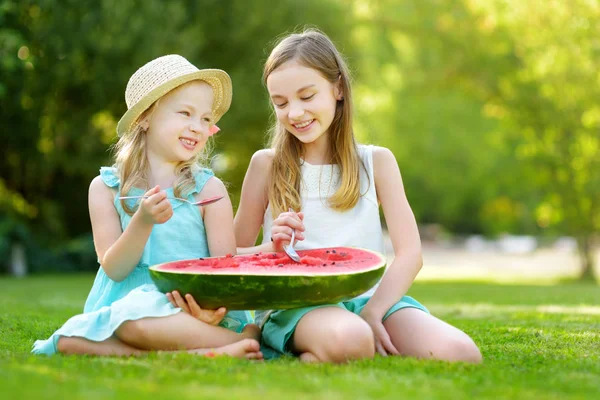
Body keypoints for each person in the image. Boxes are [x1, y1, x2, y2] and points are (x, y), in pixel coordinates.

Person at [234, 30, 482, 364]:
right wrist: (268, 250)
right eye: (281, 103)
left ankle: (329, 351)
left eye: (307, 96)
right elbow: (227, 257)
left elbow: (411, 254)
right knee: (352, 340)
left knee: (462, 354)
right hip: (297, 306)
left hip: (373, 298)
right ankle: (317, 347)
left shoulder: (377, 162)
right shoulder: (266, 165)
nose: (294, 113)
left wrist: (374, 311)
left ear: (338, 88)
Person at [32, 55, 261, 359]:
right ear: (145, 117)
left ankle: (227, 337)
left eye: (205, 119)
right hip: (126, 305)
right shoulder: (105, 188)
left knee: (133, 325)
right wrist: (142, 220)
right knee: (67, 341)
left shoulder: (209, 189)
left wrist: (205, 311)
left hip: (188, 306)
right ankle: (216, 349)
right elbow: (114, 268)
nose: (197, 127)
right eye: (185, 113)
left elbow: (223, 268)